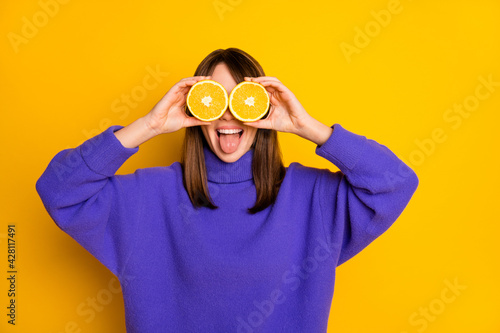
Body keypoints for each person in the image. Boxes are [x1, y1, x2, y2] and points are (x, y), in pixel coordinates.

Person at [36, 48, 419, 333]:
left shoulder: (311, 198)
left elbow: (396, 183)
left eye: (243, 100)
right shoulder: (148, 199)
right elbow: (57, 189)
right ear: (195, 109)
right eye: (213, 100)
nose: (228, 115)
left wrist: (309, 127)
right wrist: (148, 126)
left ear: (263, 109)